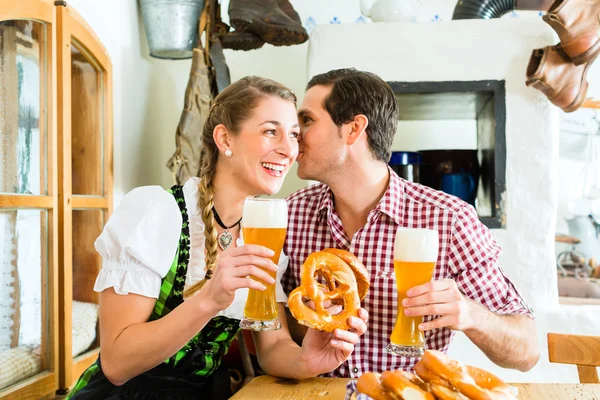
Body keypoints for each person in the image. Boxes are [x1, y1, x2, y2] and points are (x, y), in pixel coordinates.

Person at [66, 76, 368, 400]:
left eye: (294, 135)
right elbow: (116, 362)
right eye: (271, 131)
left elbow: (273, 346)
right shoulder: (157, 212)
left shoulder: (264, 229)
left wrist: (309, 360)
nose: (288, 149)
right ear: (225, 138)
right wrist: (209, 299)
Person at [280, 68, 541, 378]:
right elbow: (277, 330)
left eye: (307, 120)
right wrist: (310, 319)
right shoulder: (290, 214)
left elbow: (527, 351)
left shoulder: (448, 220)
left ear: (353, 130)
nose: (295, 133)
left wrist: (471, 314)